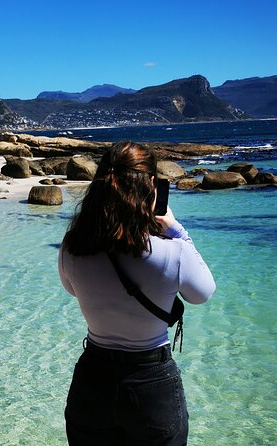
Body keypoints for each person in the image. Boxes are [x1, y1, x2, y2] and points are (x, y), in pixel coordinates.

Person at [58, 141, 215, 445]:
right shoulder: (173, 252)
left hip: (92, 381)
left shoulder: (73, 248)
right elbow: (202, 294)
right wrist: (176, 230)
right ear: (151, 187)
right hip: (150, 382)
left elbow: (71, 289)